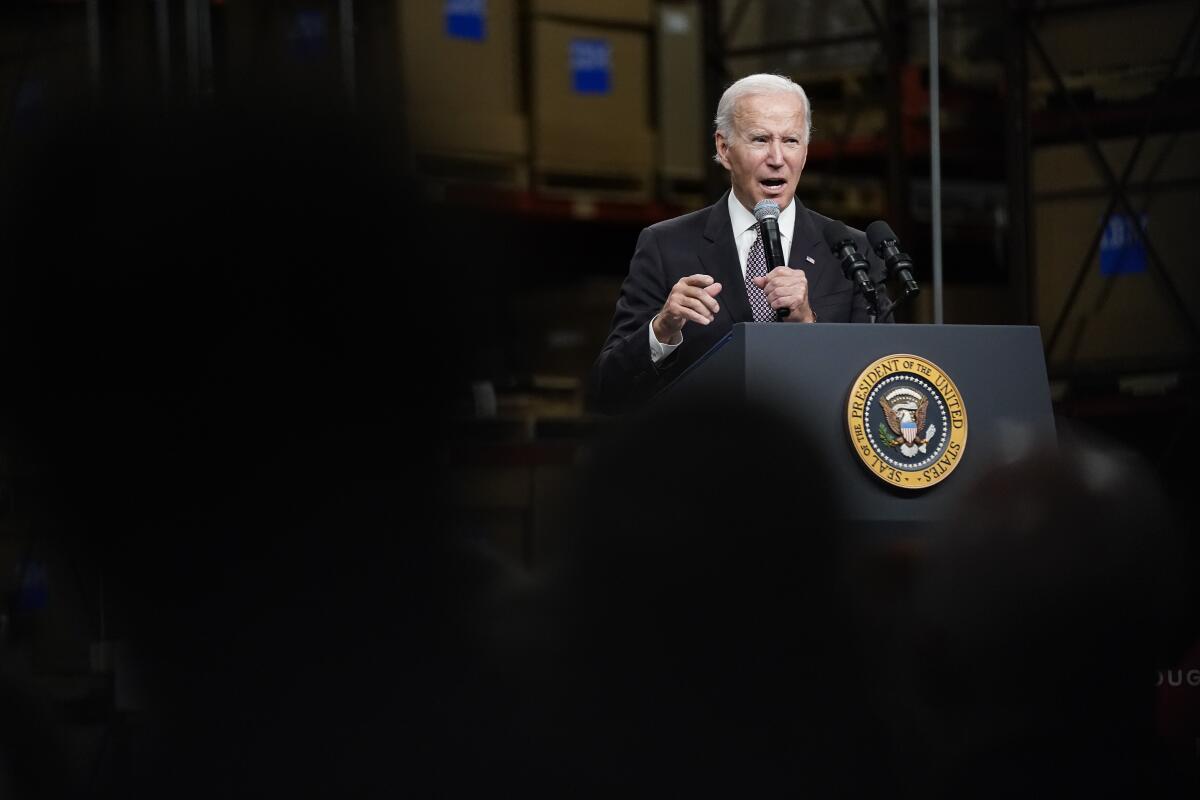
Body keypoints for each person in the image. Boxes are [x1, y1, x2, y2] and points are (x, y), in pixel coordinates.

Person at [588, 73, 888, 414]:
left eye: (791, 141)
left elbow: (881, 384)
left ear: (805, 152)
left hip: (813, 458)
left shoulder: (853, 251)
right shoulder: (665, 245)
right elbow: (605, 391)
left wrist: (807, 325)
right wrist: (662, 329)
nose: (777, 158)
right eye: (760, 139)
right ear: (723, 148)